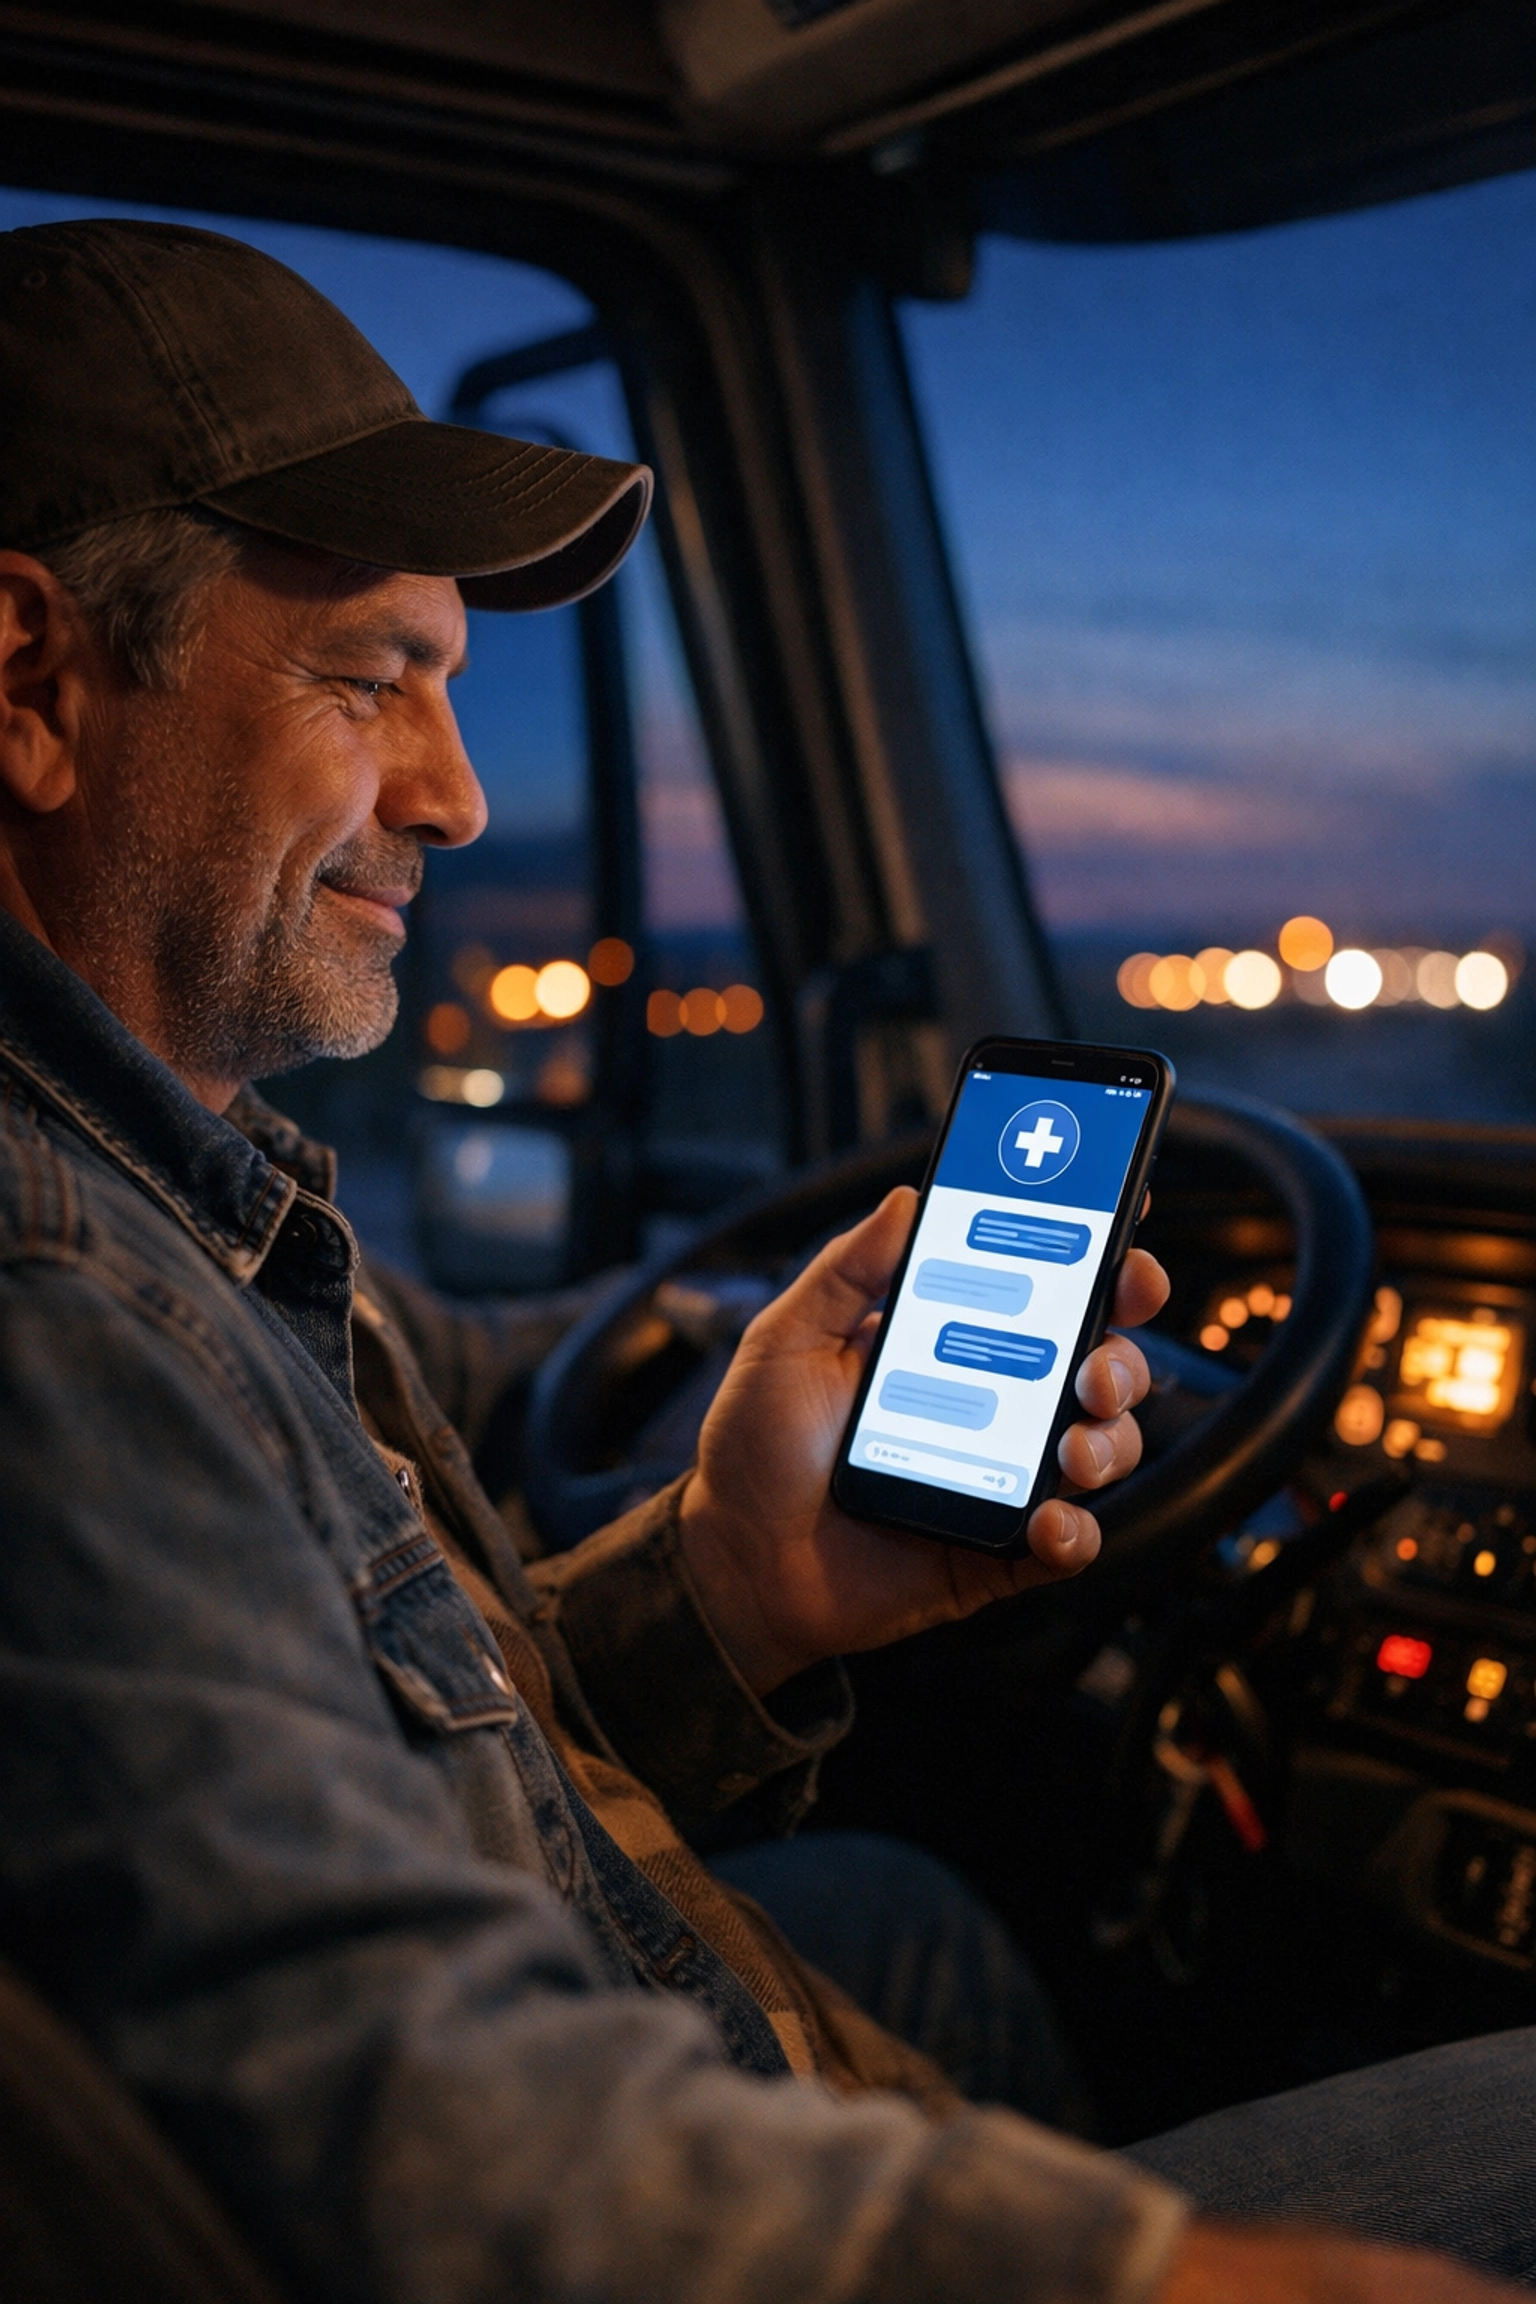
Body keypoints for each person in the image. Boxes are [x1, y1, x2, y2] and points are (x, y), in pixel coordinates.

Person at [0, 217, 1520, 2304]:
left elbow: (408, 1797)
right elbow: (402, 2137)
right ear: (31, 682)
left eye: (457, 687)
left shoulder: (185, 1195)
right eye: (372, 681)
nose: (451, 796)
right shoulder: (57, 1296)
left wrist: (732, 1581)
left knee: (911, 1900)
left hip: (707, 2030)